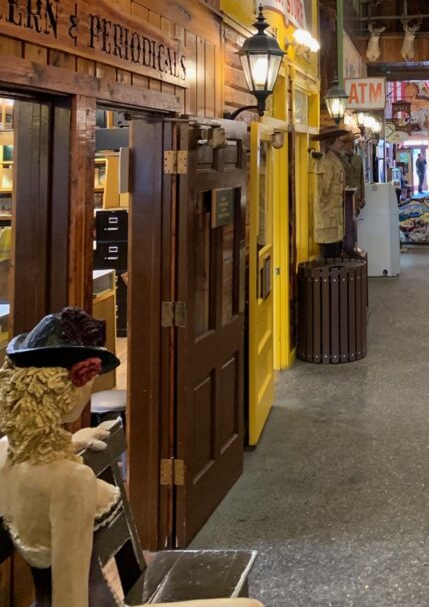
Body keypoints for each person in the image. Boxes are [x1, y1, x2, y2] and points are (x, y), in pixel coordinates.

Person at [0, 307, 263, 607]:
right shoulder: (71, 481)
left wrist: (69, 441)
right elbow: (69, 599)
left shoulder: (8, 452)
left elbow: (34, 452)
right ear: (68, 389)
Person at [311, 126, 349, 259]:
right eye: (339, 140)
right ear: (330, 143)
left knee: (335, 256)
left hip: (333, 221)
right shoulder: (326, 162)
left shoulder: (333, 160)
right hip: (327, 222)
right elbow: (322, 191)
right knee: (330, 258)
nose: (342, 144)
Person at [341, 133, 366, 214]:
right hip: (343, 196)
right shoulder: (339, 159)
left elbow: (362, 180)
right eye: (349, 142)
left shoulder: (358, 159)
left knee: (354, 221)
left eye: (353, 142)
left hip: (356, 197)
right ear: (344, 144)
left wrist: (363, 197)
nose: (352, 144)